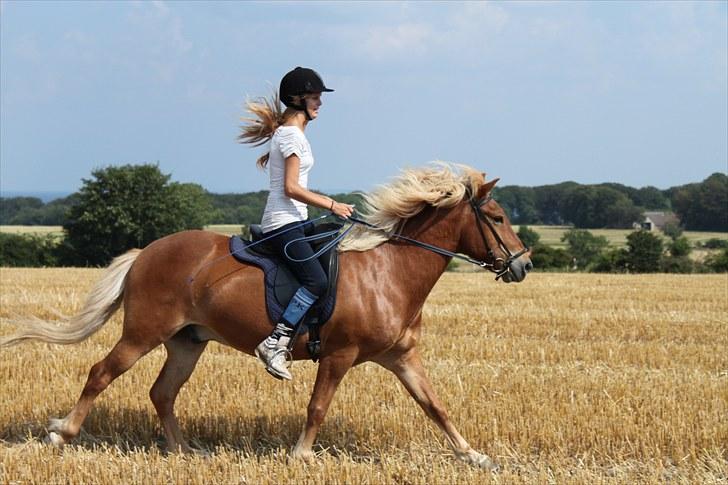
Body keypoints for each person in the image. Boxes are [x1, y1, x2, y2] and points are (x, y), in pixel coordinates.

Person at [239, 67, 354, 380]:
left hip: (295, 220)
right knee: (316, 281)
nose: (320, 103)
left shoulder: (292, 134)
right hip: (282, 224)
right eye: (315, 97)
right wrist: (332, 205)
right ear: (297, 99)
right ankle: (276, 341)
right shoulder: (291, 136)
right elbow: (291, 188)